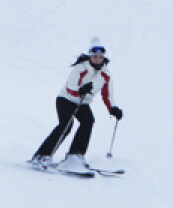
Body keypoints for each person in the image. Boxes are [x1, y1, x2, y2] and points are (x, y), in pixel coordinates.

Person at [29, 37, 124, 172]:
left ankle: (75, 155)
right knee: (66, 125)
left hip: (83, 103)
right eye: (94, 56)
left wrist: (113, 108)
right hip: (66, 99)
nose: (97, 59)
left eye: (100, 57)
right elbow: (70, 87)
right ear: (90, 56)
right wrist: (80, 90)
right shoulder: (80, 68)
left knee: (88, 121)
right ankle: (42, 156)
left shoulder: (106, 74)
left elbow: (107, 95)